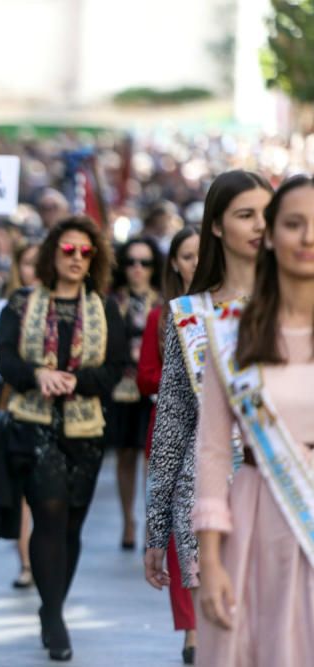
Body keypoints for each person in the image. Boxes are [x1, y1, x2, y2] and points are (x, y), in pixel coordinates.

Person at [144, 171, 272, 664]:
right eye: (245, 215)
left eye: (267, 214)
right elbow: (173, 424)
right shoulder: (188, 315)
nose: (260, 226)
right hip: (208, 502)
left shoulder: (299, 306)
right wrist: (156, 532)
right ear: (216, 226)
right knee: (222, 644)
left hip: (287, 493)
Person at [194, 174, 314, 666]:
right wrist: (210, 559)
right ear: (271, 236)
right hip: (255, 517)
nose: (308, 238)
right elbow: (213, 449)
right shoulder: (231, 334)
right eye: (293, 224)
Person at [0, 216, 127, 661]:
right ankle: (53, 617)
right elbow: (5, 358)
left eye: (85, 252)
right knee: (48, 514)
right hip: (34, 425)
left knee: (72, 523)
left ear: (95, 258)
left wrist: (75, 380)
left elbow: (113, 370)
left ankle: (53, 607)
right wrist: (38, 375)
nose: (76, 258)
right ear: (53, 253)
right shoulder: (22, 302)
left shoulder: (105, 308)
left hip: (86, 429)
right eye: (68, 250)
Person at [137, 226, 200, 664]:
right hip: (182, 445)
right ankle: (193, 631)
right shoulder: (171, 317)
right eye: (188, 255)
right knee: (185, 541)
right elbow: (148, 377)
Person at [0, 241, 40, 589]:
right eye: (27, 264)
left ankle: (44, 560)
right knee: (22, 490)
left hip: (58, 411)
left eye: (39, 264)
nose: (33, 272)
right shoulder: (6, 309)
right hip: (17, 406)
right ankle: (26, 563)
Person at [108, 237, 163, 550]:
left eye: (145, 262)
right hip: (122, 388)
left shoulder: (164, 302)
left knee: (150, 458)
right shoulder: (114, 302)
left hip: (153, 386)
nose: (137, 269)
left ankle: (147, 521)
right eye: (131, 262)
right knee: (125, 454)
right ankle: (128, 518)